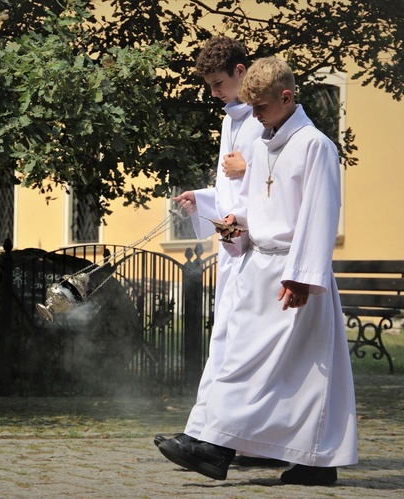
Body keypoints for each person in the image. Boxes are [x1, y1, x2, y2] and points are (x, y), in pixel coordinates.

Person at [158, 56, 358, 486]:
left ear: (286, 97)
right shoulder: (269, 141)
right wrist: (237, 225)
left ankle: (215, 447)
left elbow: (318, 215)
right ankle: (314, 462)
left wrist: (302, 277)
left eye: (262, 108)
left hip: (291, 274)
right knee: (284, 371)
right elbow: (262, 207)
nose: (255, 117)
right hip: (260, 265)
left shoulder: (314, 145)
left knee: (258, 364)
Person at [158, 37, 272, 466]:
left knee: (233, 343)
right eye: (208, 85)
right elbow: (229, 188)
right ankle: (208, 434)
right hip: (232, 246)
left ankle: (210, 438)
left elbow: (279, 178)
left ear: (242, 72)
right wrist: (201, 198)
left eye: (219, 83)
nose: (214, 93)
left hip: (255, 247)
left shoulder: (264, 118)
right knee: (223, 340)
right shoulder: (230, 121)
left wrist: (251, 168)